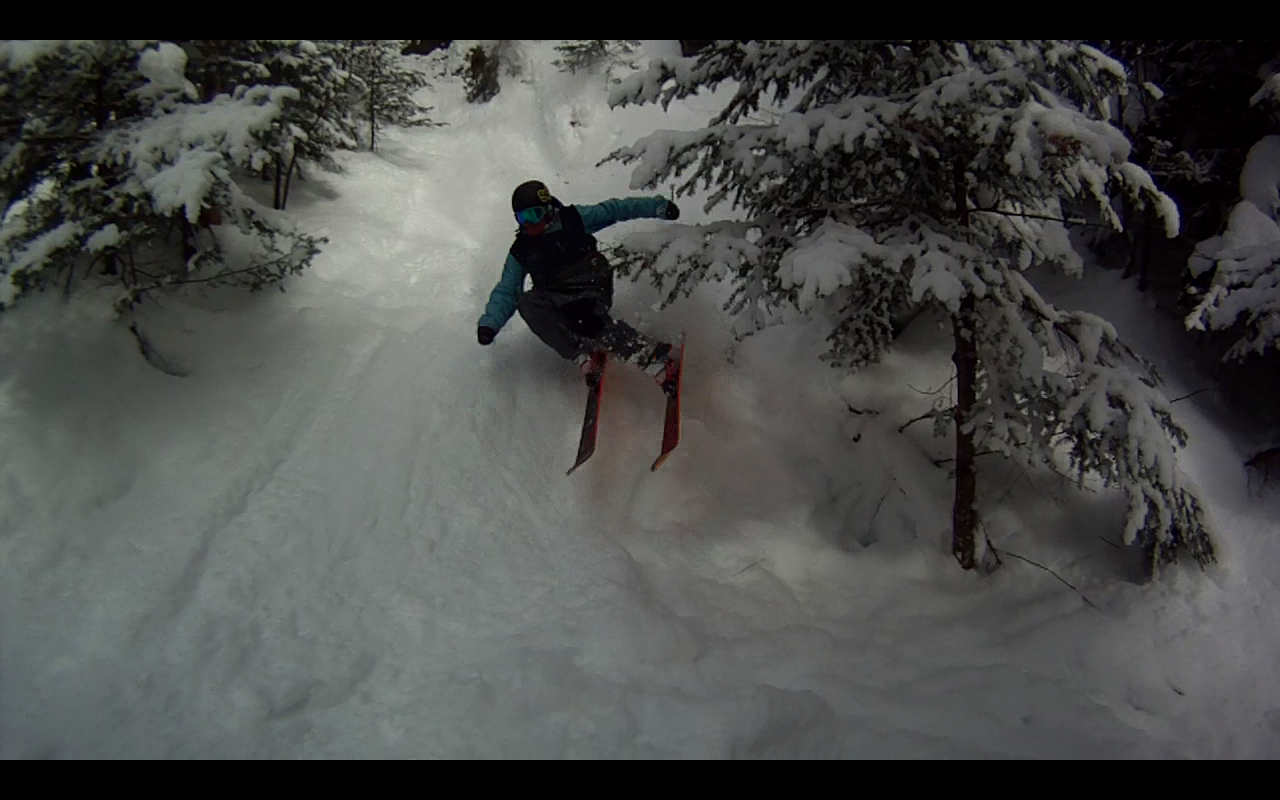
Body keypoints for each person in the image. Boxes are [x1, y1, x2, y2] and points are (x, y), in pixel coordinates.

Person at [476, 180, 682, 393]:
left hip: (590, 284)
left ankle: (652, 356)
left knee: (585, 319)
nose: (529, 223)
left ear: (547, 210)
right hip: (556, 294)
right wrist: (490, 324)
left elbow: (615, 210)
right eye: (522, 218)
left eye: (534, 215)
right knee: (528, 304)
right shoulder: (522, 249)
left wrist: (658, 207)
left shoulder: (572, 220)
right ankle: (581, 352)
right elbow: (508, 290)